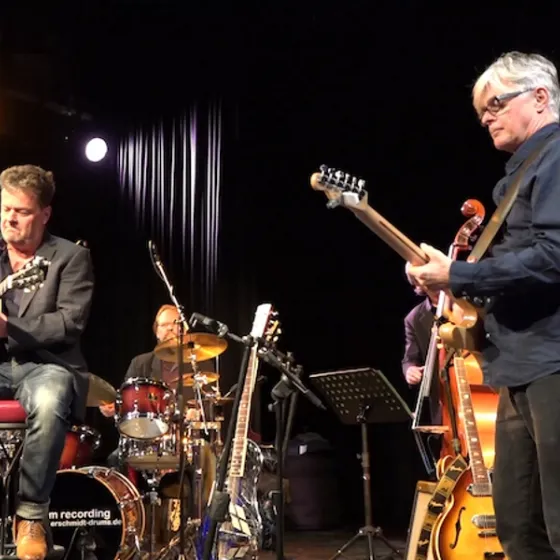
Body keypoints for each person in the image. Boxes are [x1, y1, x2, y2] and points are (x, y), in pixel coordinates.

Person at [406, 51, 560, 559]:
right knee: (518, 526)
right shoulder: (525, 170)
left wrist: (459, 274)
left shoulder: (557, 158)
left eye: (495, 104)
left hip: (553, 363)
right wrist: (445, 280)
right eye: (481, 113)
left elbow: (554, 258)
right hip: (519, 367)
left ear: (540, 97)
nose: (487, 118)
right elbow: (516, 266)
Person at [0, 165, 94, 560]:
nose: (10, 218)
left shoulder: (70, 257)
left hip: (45, 364)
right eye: (5, 208)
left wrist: (9, 328)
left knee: (51, 394)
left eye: (21, 211)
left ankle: (31, 515)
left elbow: (69, 323)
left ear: (45, 214)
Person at [100, 304, 195, 467]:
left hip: (186, 441)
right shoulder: (140, 363)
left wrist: (196, 412)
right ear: (157, 332)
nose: (170, 328)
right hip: (145, 440)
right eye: (164, 325)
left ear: (184, 330)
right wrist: (114, 408)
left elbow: (211, 404)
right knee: (115, 460)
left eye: (175, 323)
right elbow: (126, 405)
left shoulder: (198, 363)